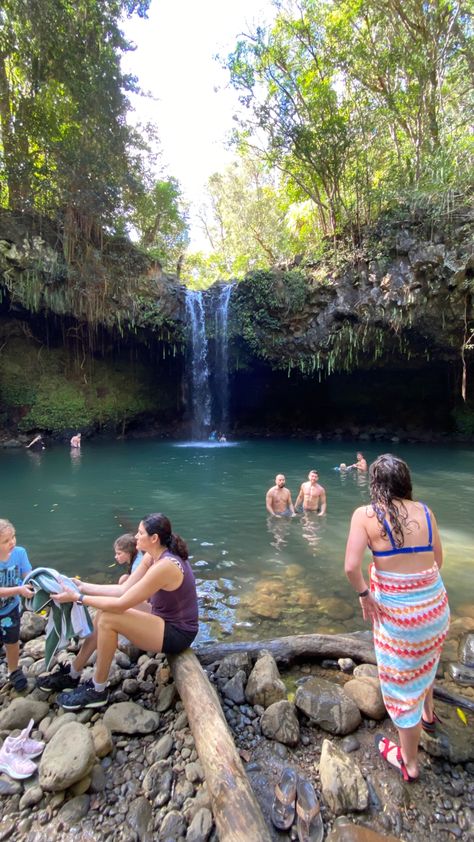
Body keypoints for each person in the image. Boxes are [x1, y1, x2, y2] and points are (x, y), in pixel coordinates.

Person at [344, 454, 450, 783]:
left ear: (376, 484)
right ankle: (429, 715)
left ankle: (410, 763)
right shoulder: (426, 512)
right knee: (426, 661)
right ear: (406, 481)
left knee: (402, 690)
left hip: (401, 620)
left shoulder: (365, 515)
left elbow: (351, 568)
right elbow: (439, 561)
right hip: (435, 609)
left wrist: (365, 595)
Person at [37, 513, 199, 710]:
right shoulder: (152, 556)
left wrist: (78, 598)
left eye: (140, 533)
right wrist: (81, 586)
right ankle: (73, 673)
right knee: (103, 614)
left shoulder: (166, 566)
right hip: (161, 618)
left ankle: (98, 690)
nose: (135, 537)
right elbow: (123, 590)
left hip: (177, 633)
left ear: (154, 538)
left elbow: (122, 604)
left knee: (108, 618)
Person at [0, 519, 35, 691]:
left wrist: (37, 584)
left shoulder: (20, 553)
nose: (12, 542)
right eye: (6, 541)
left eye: (13, 537)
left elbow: (28, 575)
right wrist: (19, 589)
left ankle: (13, 670)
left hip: (10, 609)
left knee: (12, 640)